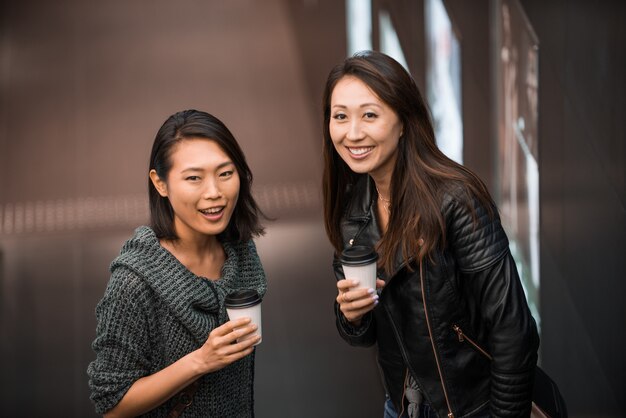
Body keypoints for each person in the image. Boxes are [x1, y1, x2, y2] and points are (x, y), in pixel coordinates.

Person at [322, 51, 539, 418]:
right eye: (340, 116)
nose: (352, 132)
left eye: (370, 115)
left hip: (475, 408)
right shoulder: (353, 209)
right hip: (402, 406)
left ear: (404, 121)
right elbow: (368, 334)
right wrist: (352, 315)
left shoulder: (456, 199)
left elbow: (514, 332)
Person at [87, 109, 267, 417]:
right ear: (161, 183)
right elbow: (111, 403)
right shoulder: (134, 282)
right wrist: (200, 361)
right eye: (194, 178)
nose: (215, 193)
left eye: (225, 173)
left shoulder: (241, 254)